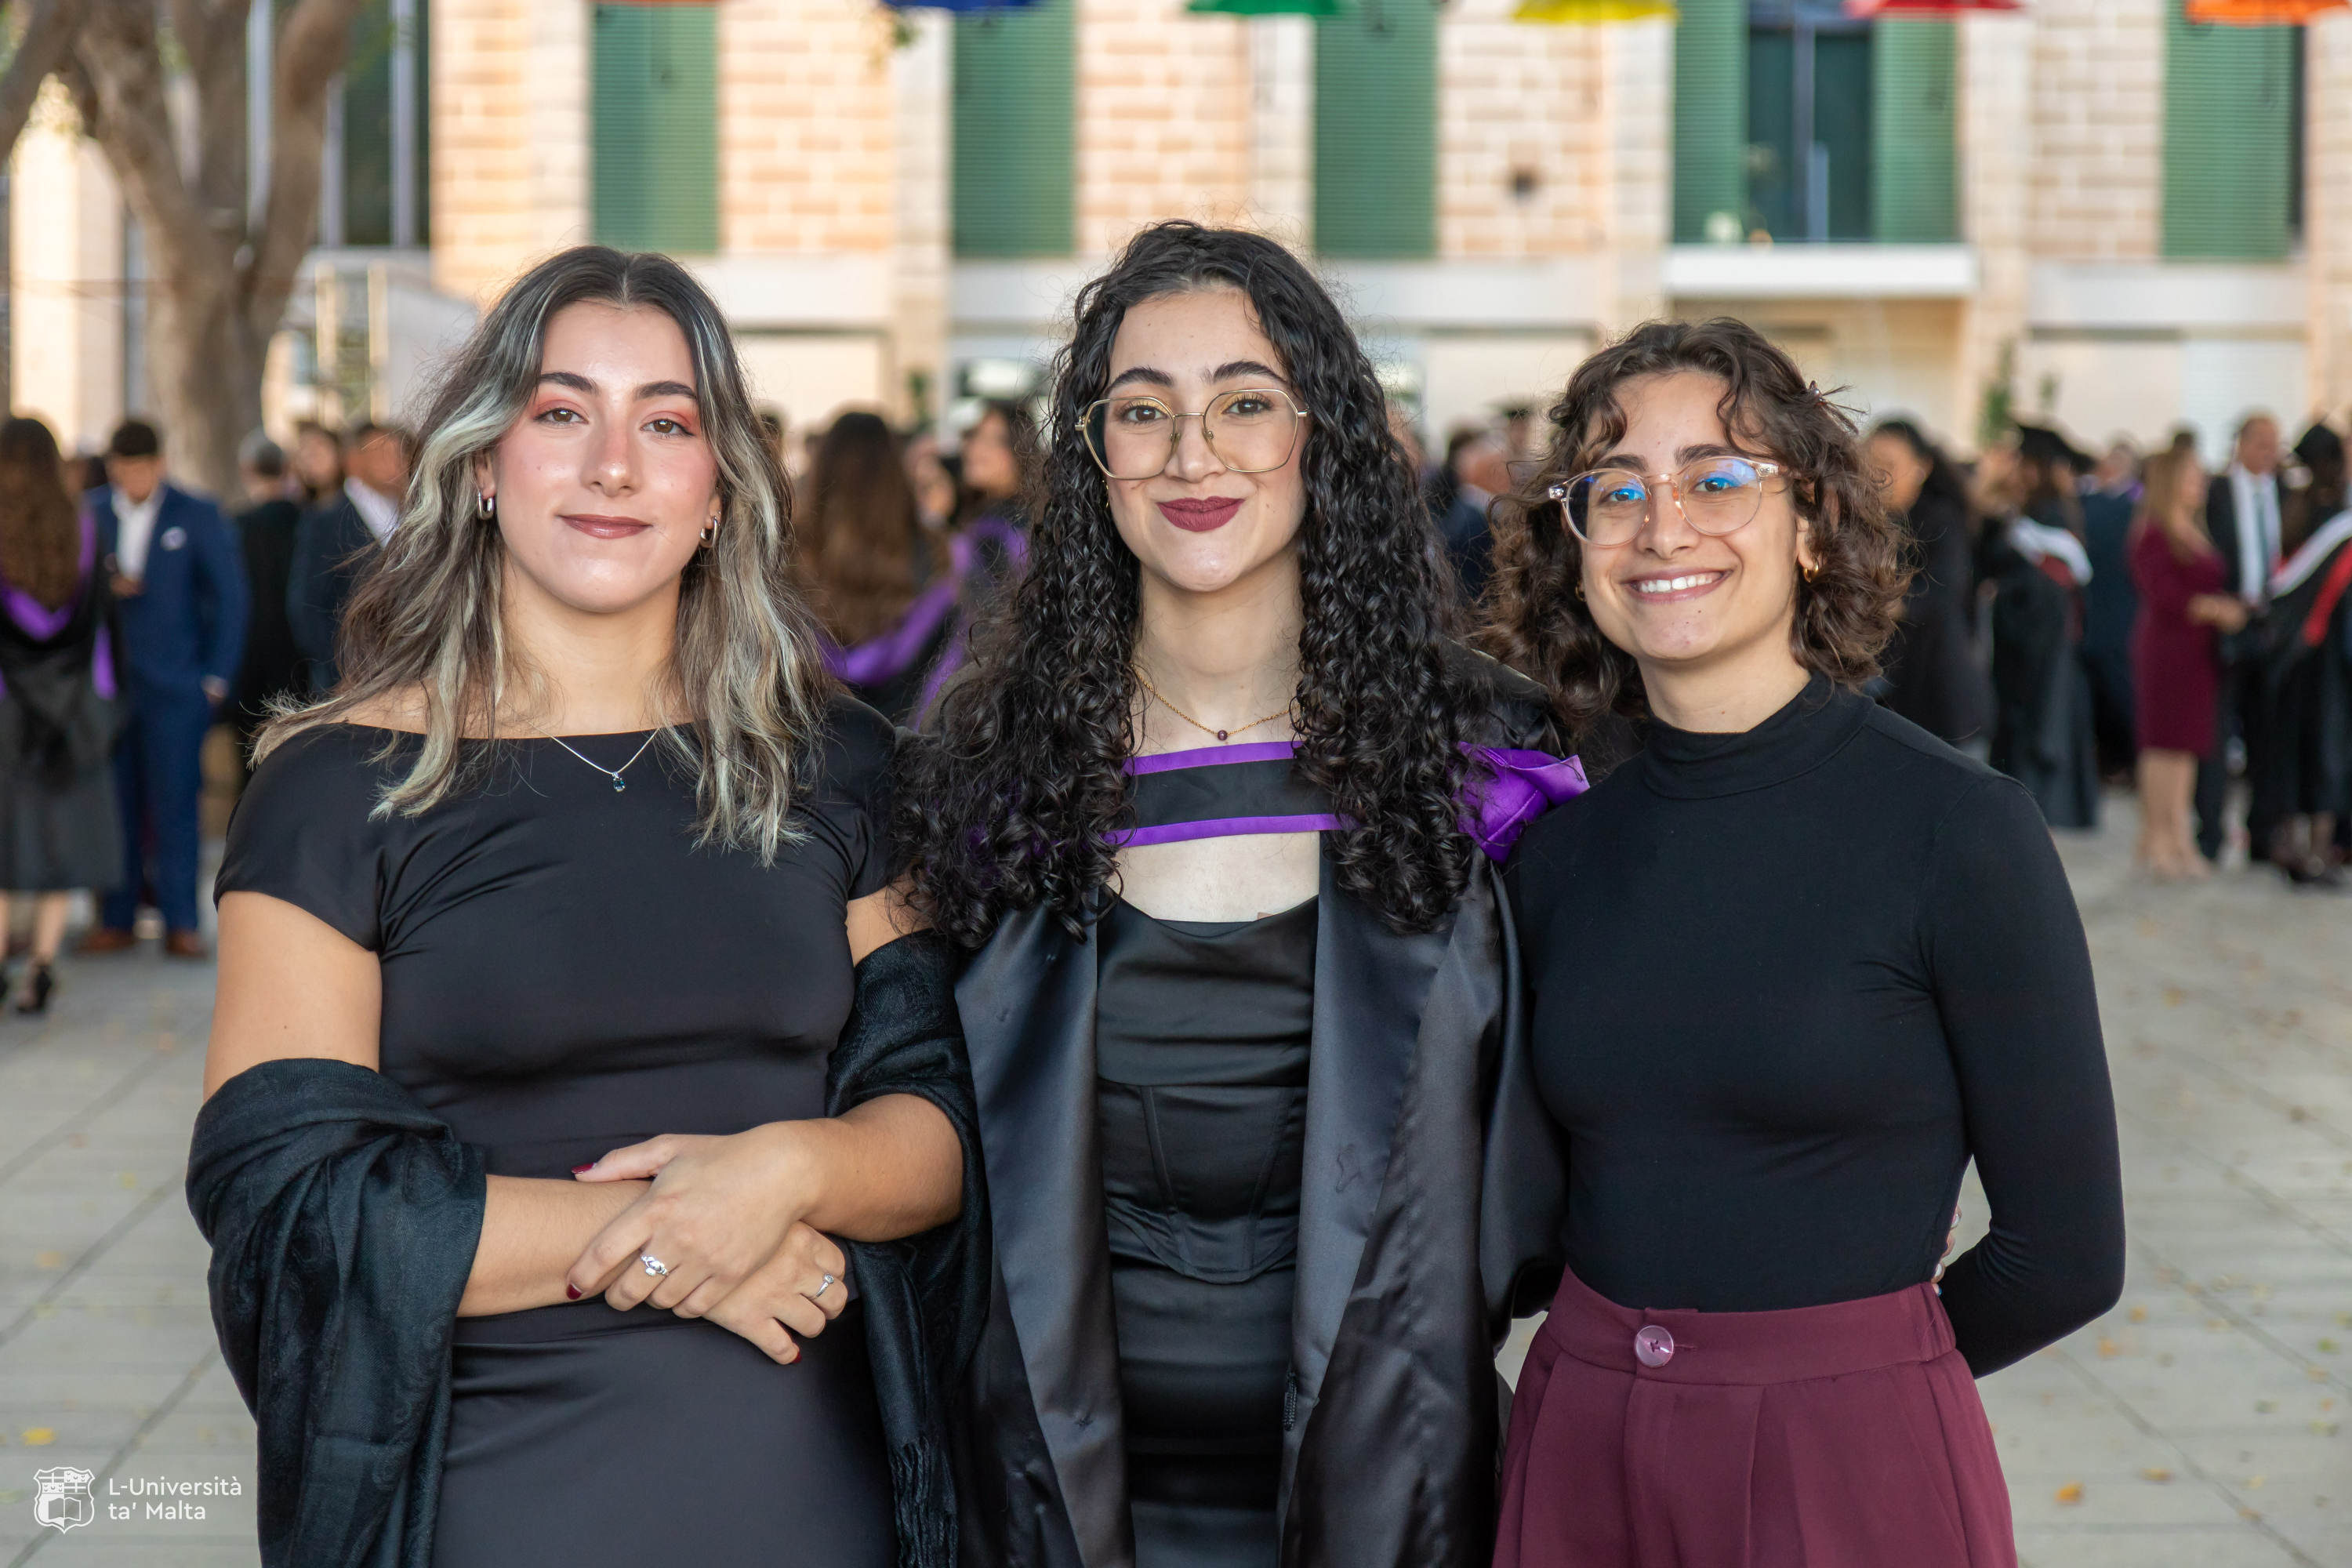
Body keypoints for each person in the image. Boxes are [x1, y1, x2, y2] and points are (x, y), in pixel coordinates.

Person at [187, 246, 983, 1568]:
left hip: (819, 1495)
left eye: (665, 422)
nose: (614, 464)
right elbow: (290, 1202)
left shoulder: (840, 763)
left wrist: (788, 1170)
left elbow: (942, 1127)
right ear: (485, 465)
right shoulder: (333, 790)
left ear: (721, 487)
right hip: (489, 1497)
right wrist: (687, 1237)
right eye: (563, 413)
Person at [898, 220, 1579, 1568]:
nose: (1192, 453)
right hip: (1045, 1499)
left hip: (1395, 1493)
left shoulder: (1487, 773)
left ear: (1321, 434)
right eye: (1141, 410)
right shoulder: (982, 783)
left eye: (1245, 404)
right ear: (1092, 457)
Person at [1483, 319, 2124, 1568]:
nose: (1663, 526)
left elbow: (2065, 1255)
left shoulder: (1957, 830)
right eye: (1616, 490)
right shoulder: (1556, 855)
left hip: (1850, 1463)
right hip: (1578, 1447)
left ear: (1814, 524)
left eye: (1718, 478)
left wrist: (1840, 1380)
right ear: (1579, 549)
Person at [80, 418, 247, 959]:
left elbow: (231, 599)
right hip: (108, 687)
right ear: (112, 469)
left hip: (178, 689)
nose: (133, 478)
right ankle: (118, 916)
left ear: (160, 464)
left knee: (176, 803)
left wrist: (215, 681)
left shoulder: (195, 513)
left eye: (142, 468)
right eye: (123, 469)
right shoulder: (93, 513)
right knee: (115, 803)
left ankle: (182, 920)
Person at [0, 418, 122, 1014]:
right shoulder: (85, 528)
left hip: (6, 707)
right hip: (74, 703)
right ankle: (42, 965)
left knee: (6, 838)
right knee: (59, 833)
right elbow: (96, 624)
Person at [796, 412, 966, 724]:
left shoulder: (789, 556)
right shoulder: (940, 555)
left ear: (821, 471)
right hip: (908, 747)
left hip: (811, 754)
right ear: (896, 472)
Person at [2127, 449, 2245, 880]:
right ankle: (2157, 834)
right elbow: (2164, 594)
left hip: (2198, 652)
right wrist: (2215, 609)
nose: (2200, 484)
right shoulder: (2154, 533)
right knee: (2163, 743)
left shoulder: (2194, 530)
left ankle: (2178, 832)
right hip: (2167, 650)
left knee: (2188, 746)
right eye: (2192, 476)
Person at [2249, 422, 2352, 887]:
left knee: (2292, 745)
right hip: (2326, 652)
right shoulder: (2336, 520)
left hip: (2292, 655)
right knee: (2328, 747)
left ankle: (2290, 845)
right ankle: (2319, 852)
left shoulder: (2291, 506)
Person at [1982, 427, 2100, 829]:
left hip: (2041, 644)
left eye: (2023, 462)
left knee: (2041, 718)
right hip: (2029, 641)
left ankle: (2039, 803)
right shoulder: (2028, 512)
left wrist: (2007, 590)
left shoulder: (2051, 515)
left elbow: (2048, 584)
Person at [1865, 418, 1991, 750]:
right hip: (1885, 693)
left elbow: (1942, 590)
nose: (1878, 474)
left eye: (1889, 464)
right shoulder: (1861, 520)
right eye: (1871, 463)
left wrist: (1879, 604)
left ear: (1922, 467)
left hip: (1938, 687)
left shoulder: (1941, 519)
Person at [2198, 412, 2285, 862]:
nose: (2270, 453)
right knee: (2216, 732)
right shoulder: (2215, 493)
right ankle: (2210, 833)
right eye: (2262, 444)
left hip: (2269, 627)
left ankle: (2262, 834)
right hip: (2227, 621)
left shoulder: (2286, 494)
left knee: (2266, 732)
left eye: (2275, 445)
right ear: (2241, 444)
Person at [288, 420, 412, 692]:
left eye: (400, 452)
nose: (396, 462)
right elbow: (306, 606)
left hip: (404, 680)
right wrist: (338, 672)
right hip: (349, 686)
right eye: (384, 453)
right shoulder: (326, 522)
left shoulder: (410, 514)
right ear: (354, 461)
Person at [229, 432, 304, 769]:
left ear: (247, 471)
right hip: (300, 654)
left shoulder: (236, 528)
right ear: (286, 469)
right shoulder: (310, 522)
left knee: (253, 762)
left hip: (251, 654)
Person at [2078, 440, 2143, 779]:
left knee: (2120, 690)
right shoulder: (2095, 504)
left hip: (2116, 610)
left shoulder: (2130, 509)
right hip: (2108, 609)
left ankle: (2126, 760)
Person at [289, 418, 343, 508]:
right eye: (302, 451)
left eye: (317, 448)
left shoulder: (361, 506)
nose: (308, 459)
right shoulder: (299, 511)